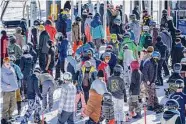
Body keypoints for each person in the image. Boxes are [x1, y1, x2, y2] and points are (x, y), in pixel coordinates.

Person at [1, 57, 18, 123]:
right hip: (6, 91)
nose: (8, 64)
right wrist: (6, 85)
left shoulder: (12, 68)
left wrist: (16, 85)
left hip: (13, 90)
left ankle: (10, 116)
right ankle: (4, 118)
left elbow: (15, 77)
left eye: (9, 62)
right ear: (4, 62)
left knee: (13, 104)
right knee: (6, 105)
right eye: (7, 62)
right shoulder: (2, 70)